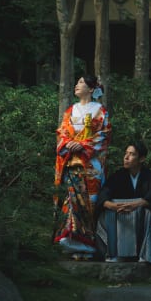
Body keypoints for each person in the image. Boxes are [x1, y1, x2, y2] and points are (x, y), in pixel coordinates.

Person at [53, 75, 111, 259]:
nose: (76, 85)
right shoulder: (71, 110)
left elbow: (104, 134)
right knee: (70, 200)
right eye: (77, 82)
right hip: (71, 162)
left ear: (91, 89)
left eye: (80, 83)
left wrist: (84, 145)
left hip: (90, 165)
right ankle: (72, 242)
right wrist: (68, 143)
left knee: (90, 202)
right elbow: (62, 132)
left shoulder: (100, 111)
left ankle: (89, 244)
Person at [95, 140, 151, 265]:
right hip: (120, 216)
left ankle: (146, 253)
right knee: (104, 213)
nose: (126, 157)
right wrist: (111, 205)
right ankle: (114, 253)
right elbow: (104, 193)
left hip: (142, 217)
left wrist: (136, 205)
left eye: (132, 154)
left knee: (148, 211)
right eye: (126, 153)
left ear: (142, 158)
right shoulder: (118, 176)